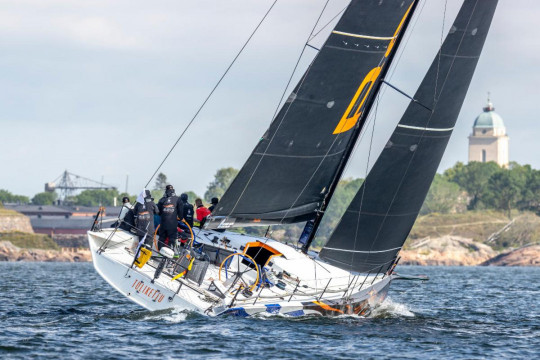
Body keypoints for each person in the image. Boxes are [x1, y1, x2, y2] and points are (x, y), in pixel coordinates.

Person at [157, 185, 184, 250]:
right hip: (172, 223)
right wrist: (181, 218)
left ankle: (160, 253)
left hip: (163, 223)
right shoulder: (178, 199)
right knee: (172, 238)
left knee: (162, 238)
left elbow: (159, 212)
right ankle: (169, 254)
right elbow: (180, 212)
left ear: (166, 190)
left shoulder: (162, 199)